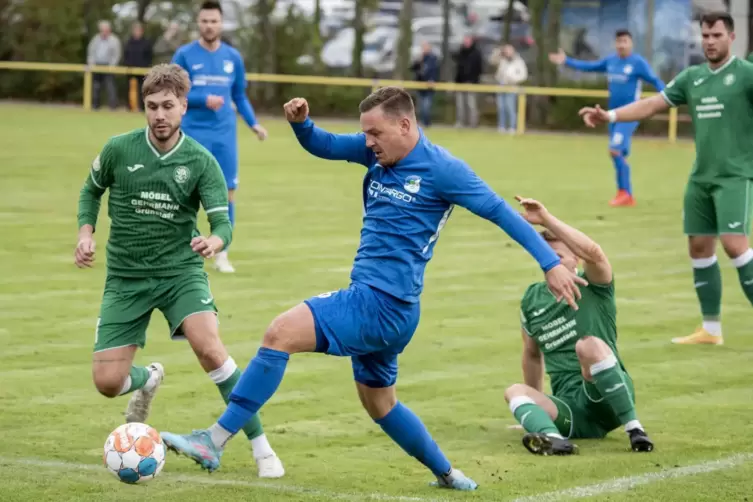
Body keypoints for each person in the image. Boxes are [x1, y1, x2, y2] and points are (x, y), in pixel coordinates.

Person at [160, 86, 587, 490]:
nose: (368, 141)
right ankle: (448, 473)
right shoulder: (377, 153)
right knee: (380, 405)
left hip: (380, 303)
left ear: (404, 126)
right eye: (365, 132)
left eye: (375, 132)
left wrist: (550, 262)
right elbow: (325, 145)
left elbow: (499, 211)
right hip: (392, 308)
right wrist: (302, 124)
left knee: (279, 333)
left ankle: (212, 440)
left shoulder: (442, 169)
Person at [75, 63, 284, 478]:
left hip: (180, 274)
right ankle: (147, 379)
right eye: (152, 106)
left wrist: (215, 241)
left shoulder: (201, 161)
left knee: (209, 347)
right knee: (107, 383)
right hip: (126, 278)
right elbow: (90, 190)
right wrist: (85, 233)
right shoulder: (119, 148)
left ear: (183, 107)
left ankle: (262, 449)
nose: (159, 115)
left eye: (168, 106)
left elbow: (223, 223)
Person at [578, 12, 753, 346]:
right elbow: (651, 105)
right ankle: (711, 330)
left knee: (734, 244)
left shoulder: (746, 75)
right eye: (705, 35)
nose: (710, 41)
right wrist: (610, 115)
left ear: (731, 38)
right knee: (699, 247)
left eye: (716, 35)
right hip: (701, 177)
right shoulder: (693, 77)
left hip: (736, 175)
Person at [505, 196, 654, 455]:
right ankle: (552, 439)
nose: (553, 263)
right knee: (515, 391)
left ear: (576, 259)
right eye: (548, 257)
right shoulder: (532, 299)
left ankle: (635, 429)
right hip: (572, 412)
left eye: (560, 257)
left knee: (589, 345)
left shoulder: (595, 285)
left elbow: (595, 253)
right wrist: (534, 403)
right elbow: (531, 354)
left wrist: (546, 219)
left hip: (607, 398)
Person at [172, 1, 268, 273]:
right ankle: (181, 251)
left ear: (221, 24)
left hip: (224, 135)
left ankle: (221, 252)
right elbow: (173, 92)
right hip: (192, 133)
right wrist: (203, 99)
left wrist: (254, 123)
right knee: (183, 192)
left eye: (214, 21)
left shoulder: (233, 57)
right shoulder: (184, 55)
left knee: (228, 192)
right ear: (198, 24)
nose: (209, 25)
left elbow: (239, 95)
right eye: (204, 21)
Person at [550, 30, 665, 207]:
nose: (621, 45)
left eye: (625, 41)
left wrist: (669, 96)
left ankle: (625, 193)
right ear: (615, 44)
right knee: (619, 155)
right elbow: (590, 67)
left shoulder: (638, 63)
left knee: (614, 150)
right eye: (619, 42)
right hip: (611, 116)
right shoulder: (611, 61)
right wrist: (566, 61)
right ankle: (625, 194)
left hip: (630, 115)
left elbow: (655, 80)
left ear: (631, 43)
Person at [491, 44, 528, 134]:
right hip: (501, 85)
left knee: (510, 108)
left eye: (509, 50)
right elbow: (492, 61)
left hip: (512, 86)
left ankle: (512, 127)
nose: (507, 52)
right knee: (501, 108)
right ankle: (501, 127)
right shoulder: (502, 60)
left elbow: (523, 75)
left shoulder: (519, 61)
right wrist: (498, 52)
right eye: (506, 50)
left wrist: (514, 79)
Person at [87, 20, 121, 110]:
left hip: (109, 66)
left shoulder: (114, 40)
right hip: (96, 65)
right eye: (102, 30)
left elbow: (116, 55)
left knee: (110, 86)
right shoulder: (95, 39)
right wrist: (91, 63)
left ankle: (112, 106)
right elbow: (91, 52)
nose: (104, 32)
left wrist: (112, 65)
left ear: (109, 30)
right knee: (96, 86)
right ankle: (95, 106)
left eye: (105, 30)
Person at [454, 35, 483, 128]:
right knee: (460, 105)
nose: (465, 42)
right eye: (464, 40)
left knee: (471, 104)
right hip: (460, 82)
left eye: (467, 40)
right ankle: (460, 122)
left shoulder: (476, 53)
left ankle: (472, 123)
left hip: (471, 83)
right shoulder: (461, 52)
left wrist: (473, 80)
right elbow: (458, 68)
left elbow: (479, 69)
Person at [123, 22, 153, 111]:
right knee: (129, 88)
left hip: (142, 70)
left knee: (143, 89)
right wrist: (128, 65)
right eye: (135, 30)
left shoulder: (146, 43)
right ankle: (129, 107)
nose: (137, 32)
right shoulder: (128, 42)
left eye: (138, 30)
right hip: (130, 69)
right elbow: (125, 55)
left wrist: (145, 66)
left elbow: (149, 56)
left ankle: (142, 107)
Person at [410, 41, 440, 127]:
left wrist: (433, 80)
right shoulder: (420, 58)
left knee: (426, 106)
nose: (424, 49)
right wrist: (418, 60)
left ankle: (427, 122)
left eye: (426, 47)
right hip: (420, 87)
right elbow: (413, 69)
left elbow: (435, 71)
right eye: (423, 47)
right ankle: (422, 122)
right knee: (421, 106)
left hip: (429, 87)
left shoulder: (433, 59)